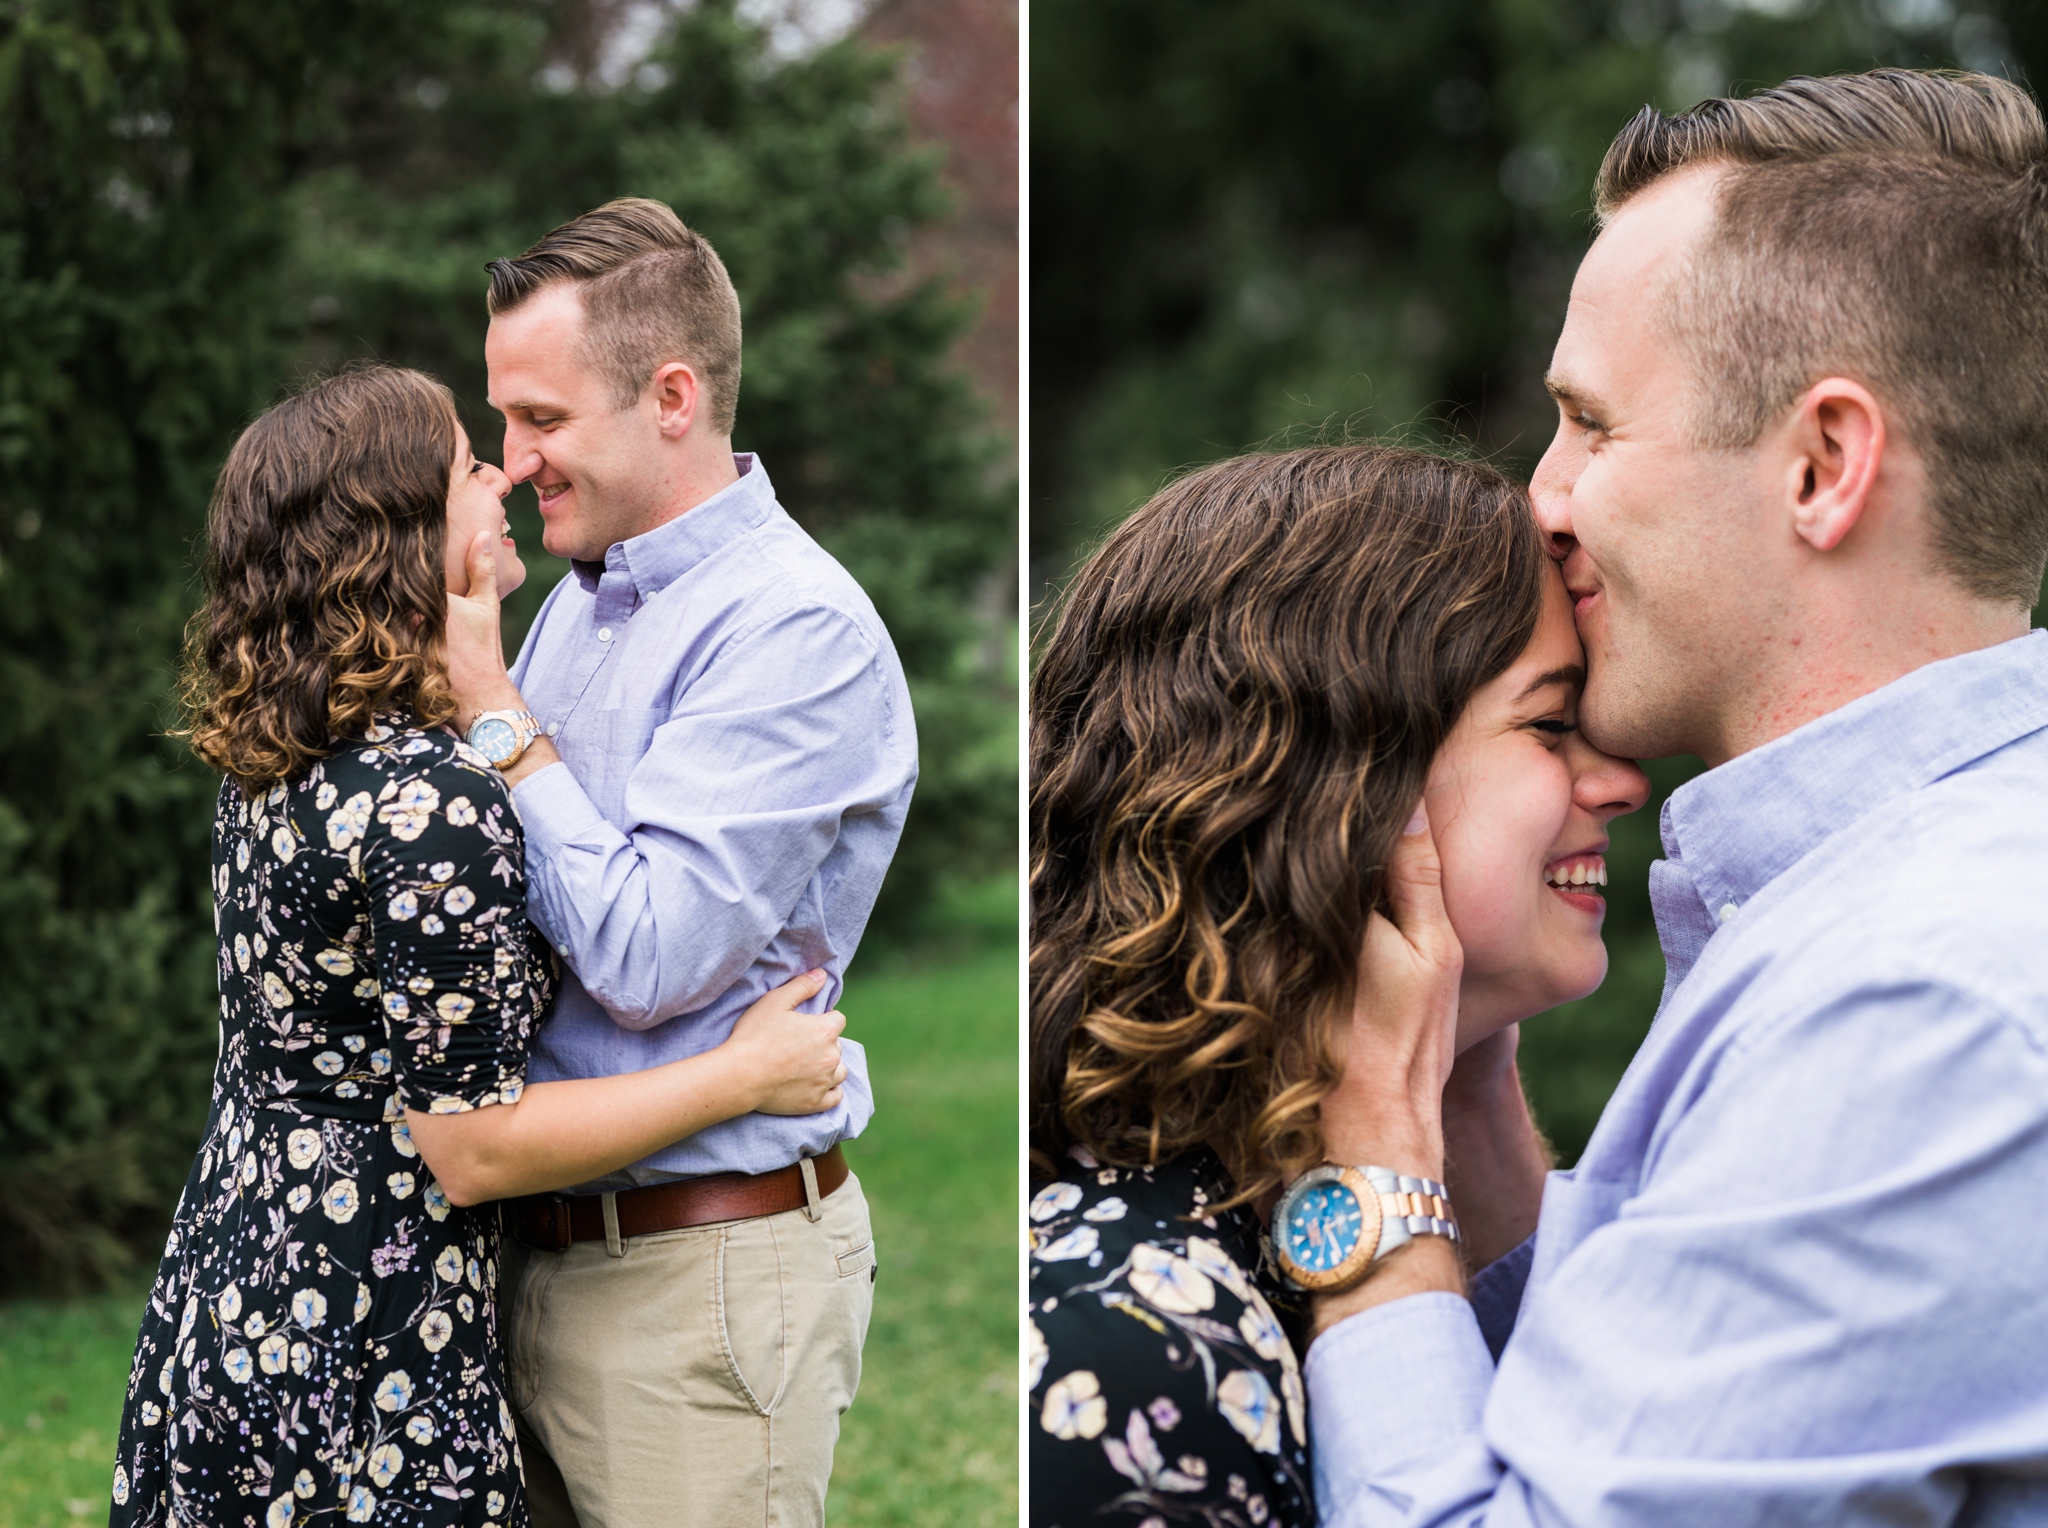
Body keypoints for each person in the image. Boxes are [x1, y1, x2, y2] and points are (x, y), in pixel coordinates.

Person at [1302, 70, 2048, 1526]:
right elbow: (1632, 1395)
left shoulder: (1918, 1003)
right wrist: (1467, 1101)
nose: (1541, 494)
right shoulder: (1900, 907)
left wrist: (1374, 1173)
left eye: (1590, 422)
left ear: (1824, 465)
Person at [112, 365, 849, 1528]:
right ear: (395, 530)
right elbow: (470, 1149)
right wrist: (743, 1076)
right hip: (365, 1336)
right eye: (467, 464)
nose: (500, 472)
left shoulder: (282, 758)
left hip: (240, 1291)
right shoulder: (430, 799)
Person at [1027, 444, 1648, 1527]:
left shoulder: (1223, 1234)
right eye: (1550, 723)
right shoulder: (1134, 1343)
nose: (1621, 780)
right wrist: (1384, 1184)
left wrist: (1453, 1097)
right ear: (1340, 792)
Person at [437, 199, 916, 1528]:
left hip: (697, 1284)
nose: (515, 458)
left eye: (542, 420)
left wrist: (495, 714)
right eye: (504, 419)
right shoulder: (581, 603)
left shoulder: (793, 630)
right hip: (534, 1260)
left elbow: (649, 959)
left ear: (670, 396)